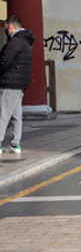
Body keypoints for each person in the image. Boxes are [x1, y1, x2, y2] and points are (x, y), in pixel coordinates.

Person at [0, 16, 33, 154]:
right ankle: (15, 144)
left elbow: (5, 61)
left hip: (10, 82)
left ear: (11, 27)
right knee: (15, 114)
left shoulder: (15, 41)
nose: (6, 30)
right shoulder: (26, 41)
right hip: (19, 83)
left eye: (6, 27)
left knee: (3, 114)